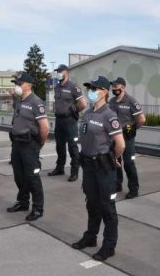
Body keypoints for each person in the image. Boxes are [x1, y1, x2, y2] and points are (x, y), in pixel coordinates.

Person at [71, 76, 125, 262]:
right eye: (90, 88)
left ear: (104, 91)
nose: (91, 91)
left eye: (95, 88)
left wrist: (112, 158)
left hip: (104, 168)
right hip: (89, 167)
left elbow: (120, 144)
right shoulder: (87, 113)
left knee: (107, 208)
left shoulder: (109, 115)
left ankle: (109, 246)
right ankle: (90, 237)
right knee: (91, 204)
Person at [7, 72, 49, 221]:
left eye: (19, 83)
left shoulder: (36, 101)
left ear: (28, 85)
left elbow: (44, 127)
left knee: (32, 177)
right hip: (17, 143)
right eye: (16, 83)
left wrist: (40, 143)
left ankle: (38, 208)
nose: (17, 86)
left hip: (30, 144)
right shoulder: (19, 101)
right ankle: (23, 202)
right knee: (19, 175)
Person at [109, 77, 146, 199]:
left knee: (129, 163)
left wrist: (132, 129)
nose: (114, 89)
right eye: (113, 86)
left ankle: (133, 189)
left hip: (127, 136)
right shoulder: (112, 102)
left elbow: (141, 119)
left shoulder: (131, 101)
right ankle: (117, 185)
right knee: (116, 162)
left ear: (123, 87)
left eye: (116, 86)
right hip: (115, 137)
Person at [49, 64, 87, 182]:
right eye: (57, 72)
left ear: (66, 72)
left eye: (60, 71)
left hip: (70, 120)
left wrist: (74, 111)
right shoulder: (58, 86)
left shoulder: (73, 87)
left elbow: (83, 103)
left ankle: (74, 171)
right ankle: (60, 168)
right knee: (59, 146)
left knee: (72, 146)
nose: (58, 73)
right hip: (59, 120)